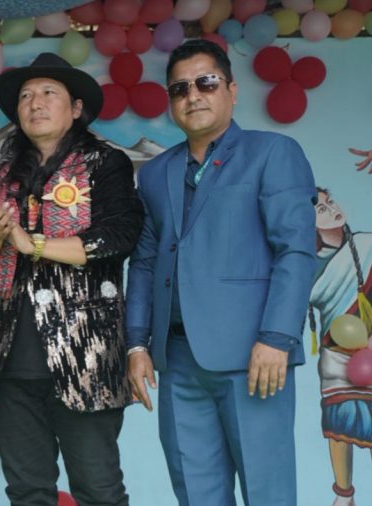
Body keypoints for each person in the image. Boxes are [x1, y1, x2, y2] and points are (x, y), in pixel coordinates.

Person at [125, 39, 317, 505]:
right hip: (177, 361)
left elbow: (295, 251)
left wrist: (277, 338)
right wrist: (136, 343)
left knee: (267, 493)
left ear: (231, 90)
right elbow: (145, 262)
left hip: (254, 357)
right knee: (196, 495)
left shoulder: (272, 153)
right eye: (180, 88)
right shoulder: (154, 174)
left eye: (206, 82)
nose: (193, 95)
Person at [0, 52, 142, 506]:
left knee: (99, 492)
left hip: (86, 355)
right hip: (11, 360)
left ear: (76, 108)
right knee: (27, 493)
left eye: (49, 93)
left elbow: (118, 238)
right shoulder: (1, 176)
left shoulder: (104, 163)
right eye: (26, 96)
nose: (35, 103)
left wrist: (33, 244)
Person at [308, 187, 372, 506]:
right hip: (336, 349)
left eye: (330, 201)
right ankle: (344, 494)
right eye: (321, 209)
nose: (332, 209)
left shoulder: (367, 245)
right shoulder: (306, 264)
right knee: (339, 420)